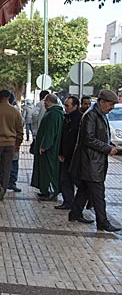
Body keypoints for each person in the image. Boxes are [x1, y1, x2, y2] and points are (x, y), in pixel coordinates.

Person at [69, 90, 121, 232]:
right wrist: (107, 148)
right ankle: (102, 222)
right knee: (98, 194)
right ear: (101, 102)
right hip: (90, 161)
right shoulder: (91, 115)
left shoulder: (100, 115)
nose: (111, 108)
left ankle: (75, 213)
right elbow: (88, 139)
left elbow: (101, 136)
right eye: (110, 104)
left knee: (85, 189)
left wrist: (110, 145)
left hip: (95, 161)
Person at [31, 94, 64, 201]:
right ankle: (45, 190)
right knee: (45, 169)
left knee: (50, 170)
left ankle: (51, 191)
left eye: (45, 101)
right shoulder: (51, 112)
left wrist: (45, 145)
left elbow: (51, 131)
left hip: (50, 150)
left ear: (49, 101)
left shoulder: (54, 114)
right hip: (48, 149)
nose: (44, 103)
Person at [56, 96, 82, 210]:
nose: (65, 107)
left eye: (67, 105)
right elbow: (63, 137)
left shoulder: (81, 119)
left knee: (77, 180)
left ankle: (85, 201)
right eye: (65, 105)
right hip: (66, 155)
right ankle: (68, 201)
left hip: (76, 156)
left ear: (75, 106)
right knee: (65, 179)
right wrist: (61, 152)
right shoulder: (66, 118)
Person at [8, 92, 22, 192]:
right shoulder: (16, 111)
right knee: (13, 164)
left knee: (3, 164)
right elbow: (20, 128)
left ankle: (2, 183)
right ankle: (11, 183)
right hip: (13, 142)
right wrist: (18, 142)